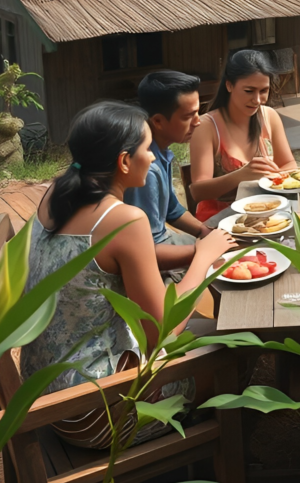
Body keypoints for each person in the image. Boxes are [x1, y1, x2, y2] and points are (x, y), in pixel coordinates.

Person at [20, 101, 237, 448]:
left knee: (209, 332)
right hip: (97, 412)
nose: (152, 158)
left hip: (44, 393)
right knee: (236, 349)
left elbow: (115, 260)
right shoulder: (123, 219)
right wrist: (203, 261)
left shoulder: (56, 193)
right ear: (123, 161)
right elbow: (160, 332)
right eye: (147, 149)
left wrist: (196, 251)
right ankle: (211, 459)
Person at [188, 49, 296, 219]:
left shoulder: (269, 116)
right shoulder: (207, 127)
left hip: (265, 213)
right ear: (229, 85)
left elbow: (288, 164)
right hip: (220, 221)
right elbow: (198, 191)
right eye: (249, 91)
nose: (257, 100)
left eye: (263, 91)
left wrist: (274, 178)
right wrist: (241, 176)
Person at [125, 70, 212, 278]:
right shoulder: (146, 169)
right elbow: (149, 249)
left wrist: (203, 231)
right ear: (157, 122)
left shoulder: (162, 151)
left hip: (161, 243)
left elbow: (172, 209)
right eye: (188, 116)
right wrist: (204, 251)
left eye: (198, 112)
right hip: (149, 261)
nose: (197, 122)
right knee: (221, 261)